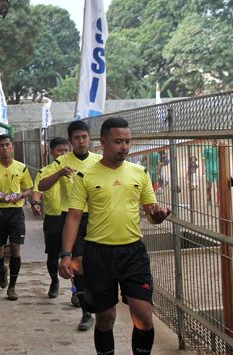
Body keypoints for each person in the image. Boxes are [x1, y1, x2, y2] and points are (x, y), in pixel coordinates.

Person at [59, 116, 171, 355]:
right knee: (105, 317)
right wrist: (66, 254)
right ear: (103, 142)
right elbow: (74, 217)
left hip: (133, 252)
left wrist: (158, 215)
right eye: (119, 141)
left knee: (143, 316)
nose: (125, 147)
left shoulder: (139, 172)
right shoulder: (85, 176)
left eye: (128, 142)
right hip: (98, 253)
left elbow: (151, 212)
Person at [37, 120, 101, 331]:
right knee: (78, 264)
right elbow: (41, 185)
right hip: (71, 218)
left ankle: (93, 300)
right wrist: (58, 174)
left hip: (96, 218)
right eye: (77, 138)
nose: (81, 141)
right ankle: (86, 312)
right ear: (71, 140)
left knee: (97, 265)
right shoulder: (61, 162)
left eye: (84, 137)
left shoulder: (99, 161)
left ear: (89, 138)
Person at [0, 134, 34, 301]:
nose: (4, 148)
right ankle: (3, 269)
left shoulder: (21, 168)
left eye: (7, 145)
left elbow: (28, 189)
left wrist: (21, 195)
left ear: (12, 147)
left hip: (16, 213)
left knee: (16, 248)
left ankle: (12, 287)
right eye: (1, 145)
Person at [31, 137, 70, 299]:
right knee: (52, 255)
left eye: (66, 150)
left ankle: (76, 290)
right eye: (60, 150)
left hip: (71, 217)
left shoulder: (74, 169)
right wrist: (35, 203)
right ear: (52, 152)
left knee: (73, 254)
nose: (63, 153)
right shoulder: (45, 171)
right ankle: (54, 281)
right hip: (53, 218)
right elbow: (37, 190)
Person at [202, 140, 219, 205]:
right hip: (209, 169)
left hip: (217, 169)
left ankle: (218, 201)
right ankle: (209, 200)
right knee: (209, 186)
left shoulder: (219, 148)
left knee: (219, 186)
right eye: (214, 141)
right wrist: (203, 168)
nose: (215, 142)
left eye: (216, 141)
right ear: (211, 141)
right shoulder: (207, 149)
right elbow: (203, 159)